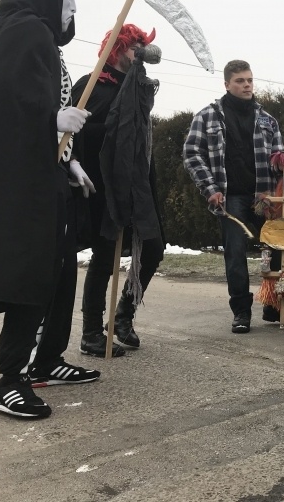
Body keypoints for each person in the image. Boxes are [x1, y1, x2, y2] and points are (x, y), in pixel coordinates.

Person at [0, 0, 99, 419]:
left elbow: (38, 99)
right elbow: (10, 103)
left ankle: (46, 361)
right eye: (66, 2)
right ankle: (10, 380)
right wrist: (53, 121)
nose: (72, 12)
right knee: (30, 275)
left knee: (59, 272)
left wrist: (69, 160)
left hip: (47, 179)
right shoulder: (25, 31)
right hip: (22, 191)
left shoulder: (39, 39)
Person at [183, 60, 284, 334]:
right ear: (227, 84)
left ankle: (274, 306)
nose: (247, 84)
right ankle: (241, 311)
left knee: (279, 249)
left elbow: (278, 155)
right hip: (230, 198)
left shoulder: (267, 120)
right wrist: (210, 188)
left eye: (249, 80)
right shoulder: (207, 117)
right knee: (235, 255)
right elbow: (191, 154)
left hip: (265, 198)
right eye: (240, 80)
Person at [73, 25, 165, 357]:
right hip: (103, 182)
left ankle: (123, 318)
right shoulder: (90, 85)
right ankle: (91, 332)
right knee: (104, 255)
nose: (141, 51)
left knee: (153, 248)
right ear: (119, 48)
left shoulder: (137, 86)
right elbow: (77, 137)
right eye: (135, 45)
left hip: (138, 178)